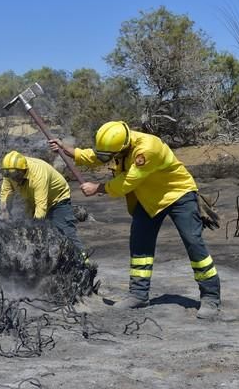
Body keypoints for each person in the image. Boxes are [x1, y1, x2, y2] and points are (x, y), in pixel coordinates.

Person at [49, 121, 220, 319]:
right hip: (148, 199)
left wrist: (98, 188)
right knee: (140, 245)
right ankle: (139, 295)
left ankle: (211, 298)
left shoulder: (147, 149)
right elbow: (99, 156)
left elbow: (127, 182)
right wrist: (69, 151)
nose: (111, 159)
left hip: (178, 195)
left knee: (193, 242)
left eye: (113, 155)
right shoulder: (119, 145)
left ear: (125, 147)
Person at [0, 150, 85, 254]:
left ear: (23, 170)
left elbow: (41, 206)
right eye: (11, 176)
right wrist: (4, 211)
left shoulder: (38, 174)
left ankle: (83, 258)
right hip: (32, 198)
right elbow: (6, 192)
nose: (14, 179)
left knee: (64, 230)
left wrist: (34, 228)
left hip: (57, 198)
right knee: (26, 229)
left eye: (16, 176)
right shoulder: (10, 172)